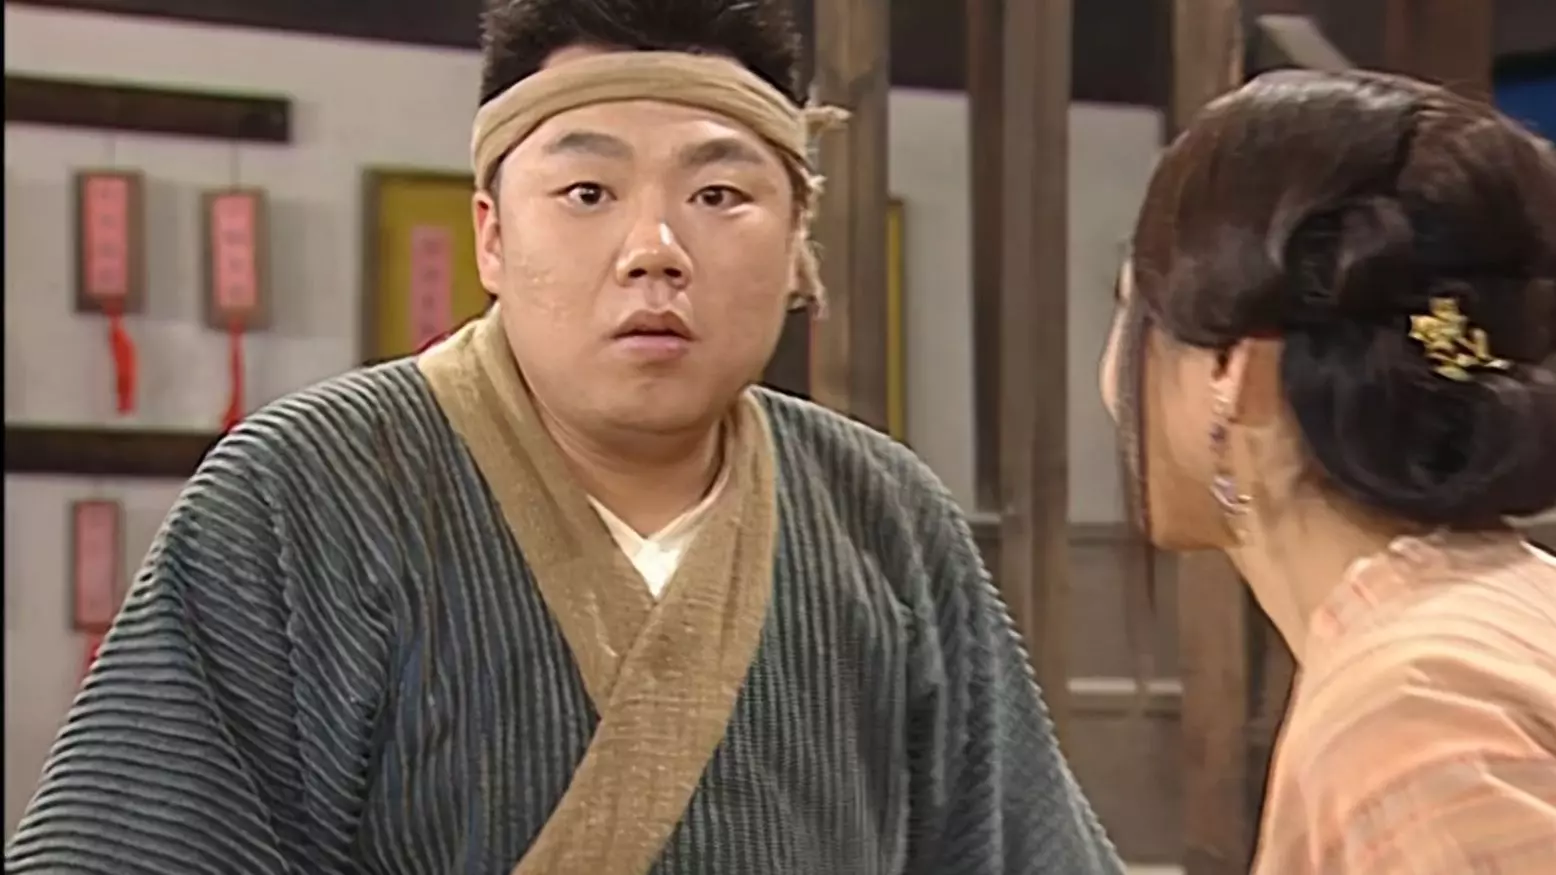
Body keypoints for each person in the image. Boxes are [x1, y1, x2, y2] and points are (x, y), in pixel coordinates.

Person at [7, 2, 1122, 873]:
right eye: (588, 191)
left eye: (719, 195)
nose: (654, 247)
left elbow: (1022, 847)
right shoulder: (307, 489)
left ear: (797, 242)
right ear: (490, 236)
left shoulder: (882, 512)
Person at [1100, 68, 1556, 874]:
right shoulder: (1505, 613)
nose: (1110, 379)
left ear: (1233, 372)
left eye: (1127, 308)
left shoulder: (1412, 715)